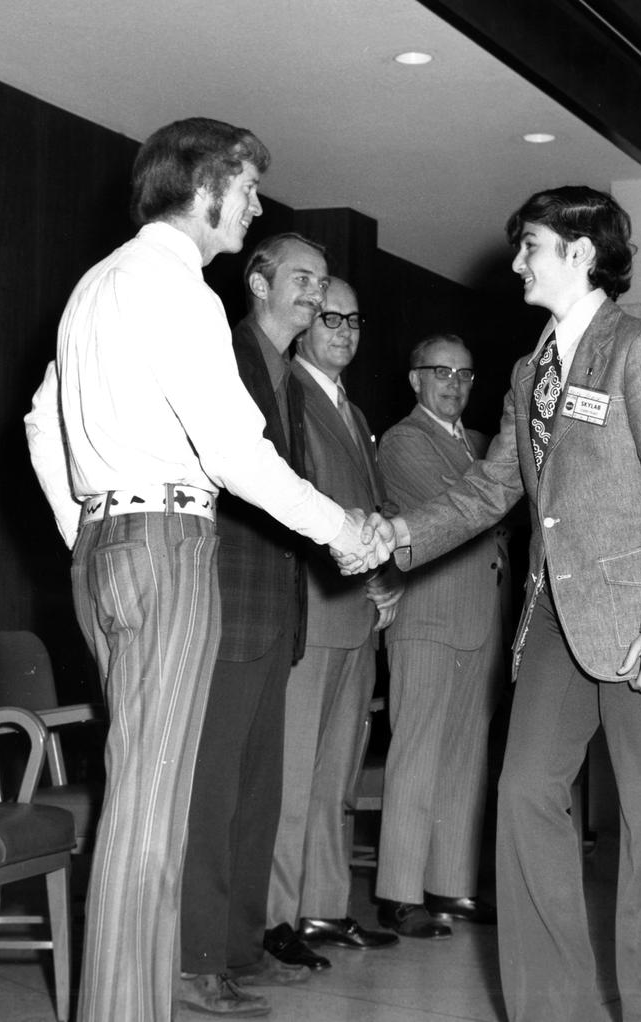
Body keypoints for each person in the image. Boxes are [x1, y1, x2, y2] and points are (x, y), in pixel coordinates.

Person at [41, 118, 390, 1022]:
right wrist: (339, 529)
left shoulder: (95, 284)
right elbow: (235, 451)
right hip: (166, 547)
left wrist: (83, 528)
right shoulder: (181, 288)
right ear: (204, 188)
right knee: (152, 807)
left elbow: (44, 424)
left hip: (109, 549)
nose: (257, 204)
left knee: (145, 787)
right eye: (246, 188)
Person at [384, 186, 641, 1021]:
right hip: (554, 626)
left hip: (640, 623)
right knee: (526, 790)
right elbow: (492, 489)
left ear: (579, 251)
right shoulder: (532, 372)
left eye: (530, 245)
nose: (517, 261)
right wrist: (393, 535)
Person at [176, 233, 336, 1017]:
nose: (315, 293)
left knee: (257, 794)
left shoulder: (297, 385)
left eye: (323, 282)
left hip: (277, 610)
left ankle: (239, 948)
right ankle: (195, 959)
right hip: (226, 601)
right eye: (301, 278)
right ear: (259, 280)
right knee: (211, 794)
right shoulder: (224, 352)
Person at [264, 278, 403, 967]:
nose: (344, 330)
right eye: (329, 317)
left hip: (356, 609)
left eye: (354, 319)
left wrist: (383, 579)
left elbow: (367, 505)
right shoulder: (288, 391)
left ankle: (323, 906)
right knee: (294, 773)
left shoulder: (350, 409)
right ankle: (276, 915)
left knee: (337, 774)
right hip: (313, 606)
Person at [373, 333, 509, 940]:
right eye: (440, 371)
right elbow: (458, 508)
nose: (454, 384)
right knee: (418, 751)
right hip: (428, 615)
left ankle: (450, 886)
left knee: (465, 757)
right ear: (414, 380)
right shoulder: (404, 441)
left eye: (465, 374)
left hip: (482, 615)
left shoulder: (481, 444)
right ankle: (399, 894)